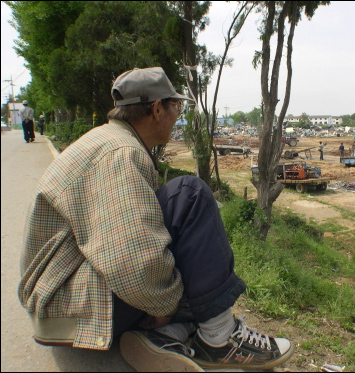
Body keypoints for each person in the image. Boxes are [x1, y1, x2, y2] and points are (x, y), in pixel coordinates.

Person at [18, 67, 292, 372]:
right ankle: (218, 338)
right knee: (189, 195)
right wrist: (164, 305)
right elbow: (131, 262)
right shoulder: (120, 153)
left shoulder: (112, 140)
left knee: (187, 246)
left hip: (66, 292)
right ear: (157, 109)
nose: (177, 115)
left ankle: (168, 336)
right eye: (175, 106)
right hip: (65, 303)